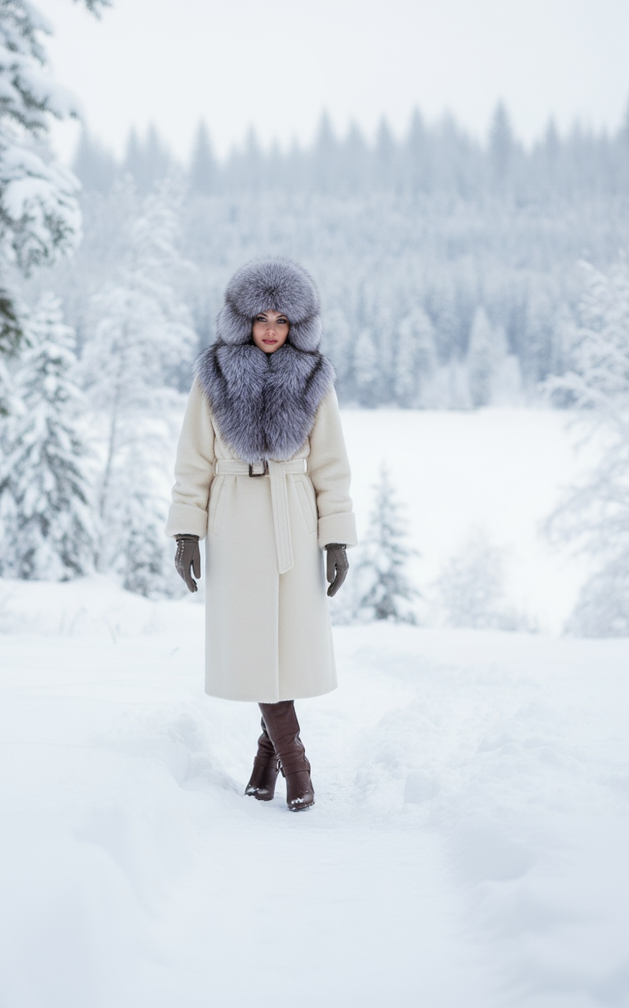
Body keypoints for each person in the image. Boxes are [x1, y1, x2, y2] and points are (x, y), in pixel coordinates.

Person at [166, 258, 355, 812]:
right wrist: (186, 533)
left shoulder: (316, 377)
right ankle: (296, 764)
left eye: (282, 319)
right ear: (241, 320)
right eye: (260, 317)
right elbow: (192, 460)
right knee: (253, 644)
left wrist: (336, 538)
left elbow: (332, 465)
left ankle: (266, 763)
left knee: (283, 647)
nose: (271, 329)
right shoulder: (214, 375)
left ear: (297, 325)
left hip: (294, 517)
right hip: (233, 519)